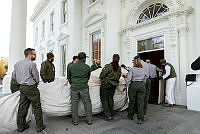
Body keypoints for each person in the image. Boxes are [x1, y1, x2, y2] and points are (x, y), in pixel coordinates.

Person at [12, 48, 46, 132]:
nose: (35, 56)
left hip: (22, 87)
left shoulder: (17, 64)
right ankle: (39, 126)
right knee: (37, 106)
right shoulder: (32, 64)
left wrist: (21, 81)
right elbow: (36, 77)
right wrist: (36, 83)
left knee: (22, 107)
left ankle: (21, 126)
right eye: (34, 54)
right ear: (30, 55)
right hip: (31, 87)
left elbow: (14, 76)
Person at [68, 52, 92, 125]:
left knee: (74, 104)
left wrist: (73, 83)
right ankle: (89, 120)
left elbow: (69, 77)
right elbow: (88, 77)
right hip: (84, 87)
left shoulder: (71, 66)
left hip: (74, 87)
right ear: (84, 59)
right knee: (87, 103)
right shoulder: (87, 67)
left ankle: (75, 121)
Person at [99, 54, 121, 121]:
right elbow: (118, 77)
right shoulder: (119, 68)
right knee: (110, 98)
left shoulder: (108, 66)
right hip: (113, 85)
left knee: (104, 99)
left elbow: (101, 76)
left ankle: (108, 115)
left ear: (112, 58)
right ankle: (111, 113)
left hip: (106, 85)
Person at [125, 58, 146, 124]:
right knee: (141, 102)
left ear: (134, 63)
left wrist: (127, 85)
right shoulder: (143, 69)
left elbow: (128, 79)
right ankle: (140, 119)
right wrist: (142, 84)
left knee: (132, 101)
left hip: (133, 85)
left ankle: (130, 116)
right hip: (142, 85)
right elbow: (145, 78)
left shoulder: (132, 69)